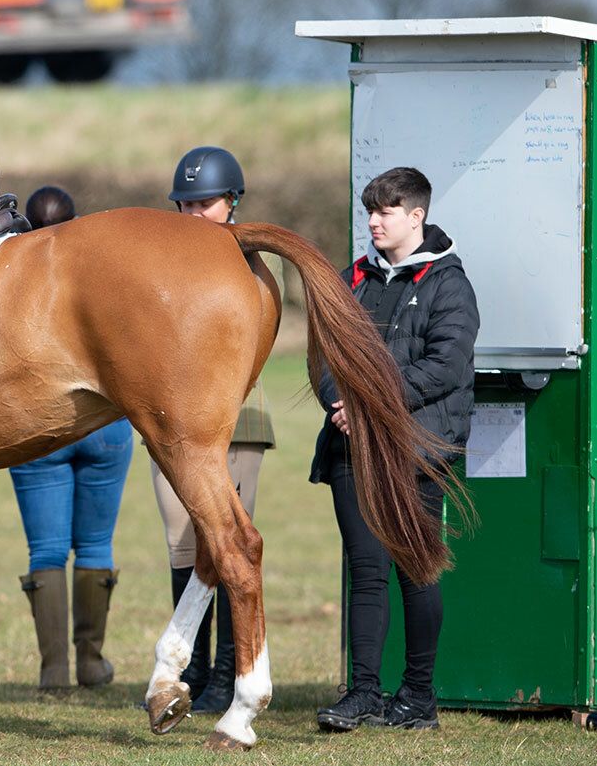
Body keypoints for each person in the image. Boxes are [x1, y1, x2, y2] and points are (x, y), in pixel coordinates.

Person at [312, 166, 478, 732]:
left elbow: (445, 366)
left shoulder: (448, 283)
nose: (374, 223)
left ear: (416, 216)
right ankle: (362, 692)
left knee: (415, 571)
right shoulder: (351, 279)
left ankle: (418, 698)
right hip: (351, 447)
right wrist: (340, 403)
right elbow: (324, 353)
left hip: (416, 451)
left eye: (385, 212)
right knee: (365, 569)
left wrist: (369, 406)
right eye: (370, 212)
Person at [152, 146, 277, 713]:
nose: (193, 215)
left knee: (226, 539)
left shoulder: (250, 265)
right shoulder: (165, 262)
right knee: (183, 544)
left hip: (237, 419)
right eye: (185, 205)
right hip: (171, 424)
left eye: (204, 204)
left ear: (232, 202)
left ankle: (230, 669)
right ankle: (194, 670)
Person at [10, 187, 134, 691]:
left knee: (46, 551)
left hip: (38, 428)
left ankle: (54, 670)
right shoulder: (104, 275)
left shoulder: (10, 279)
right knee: (96, 544)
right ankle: (92, 662)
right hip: (104, 424)